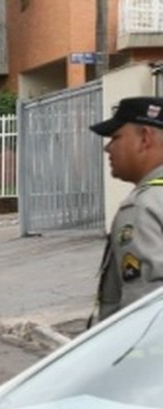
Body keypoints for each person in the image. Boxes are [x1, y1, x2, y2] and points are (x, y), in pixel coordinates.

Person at [89, 96, 163, 325]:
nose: (107, 147)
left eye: (115, 137)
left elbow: (144, 308)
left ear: (145, 138)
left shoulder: (143, 207)